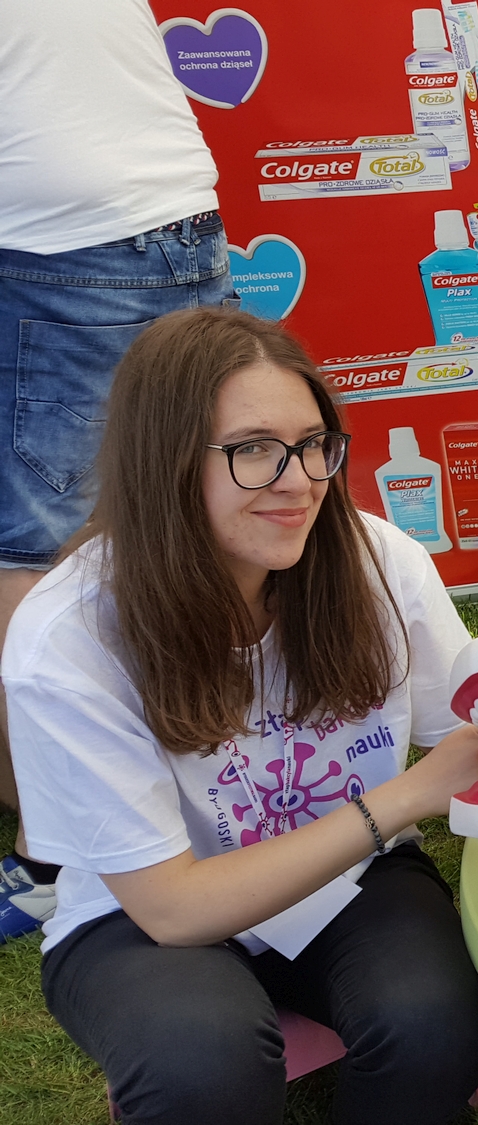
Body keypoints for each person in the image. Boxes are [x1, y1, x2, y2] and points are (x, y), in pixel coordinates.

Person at [5, 308, 478, 1124]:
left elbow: (470, 746)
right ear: (164, 461)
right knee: (202, 1065)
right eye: (254, 450)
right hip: (143, 917)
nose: (298, 480)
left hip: (349, 881)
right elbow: (171, 907)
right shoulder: (70, 635)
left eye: (311, 445)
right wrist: (403, 798)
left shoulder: (377, 562)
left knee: (438, 1027)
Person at [0, 0, 236, 938]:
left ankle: (50, 849)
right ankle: (231, 781)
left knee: (27, 557)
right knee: (190, 516)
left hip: (59, 235)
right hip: (168, 212)